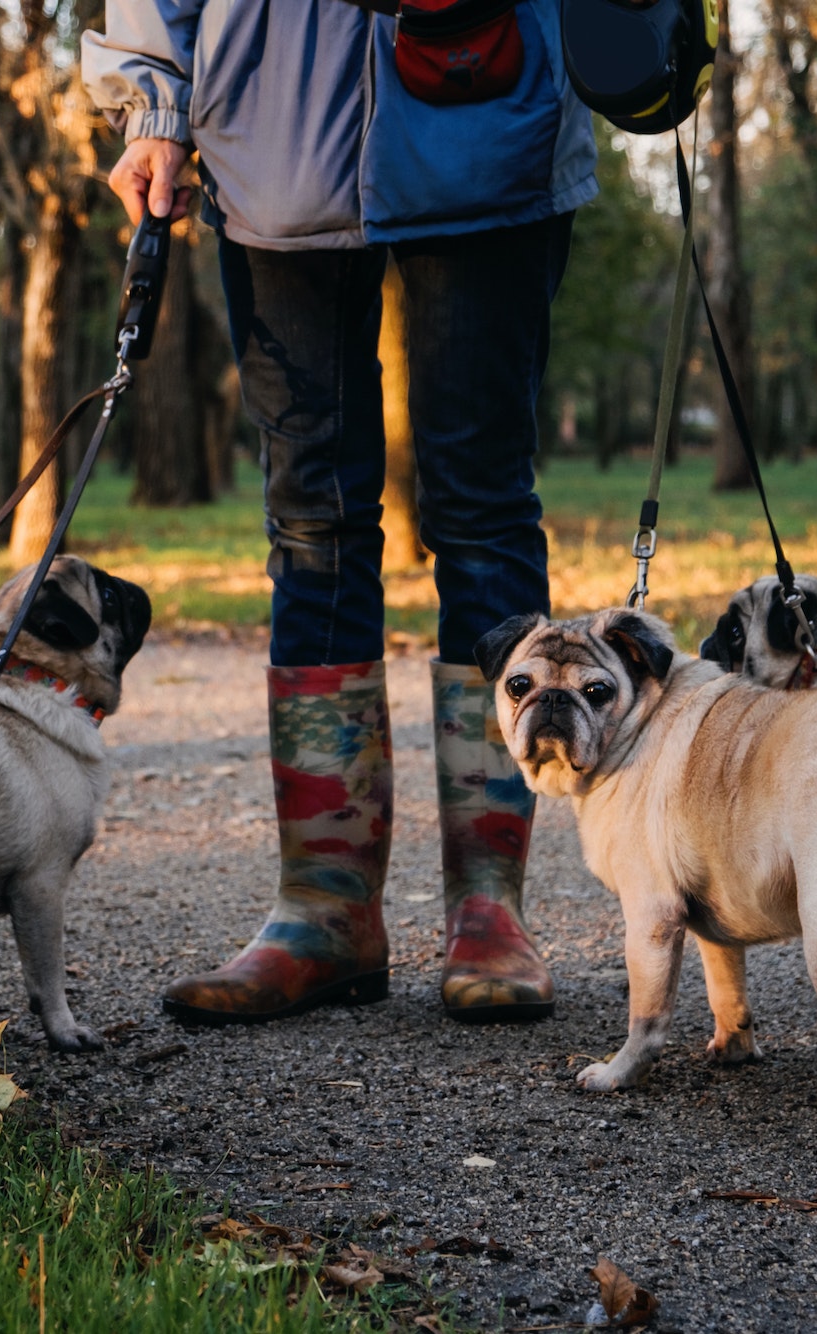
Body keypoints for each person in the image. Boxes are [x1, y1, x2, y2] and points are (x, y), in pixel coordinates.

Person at [84, 0, 596, 1025]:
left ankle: (488, 909)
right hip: (270, 136)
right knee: (309, 516)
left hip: (489, 105)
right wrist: (153, 100)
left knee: (483, 505)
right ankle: (323, 908)